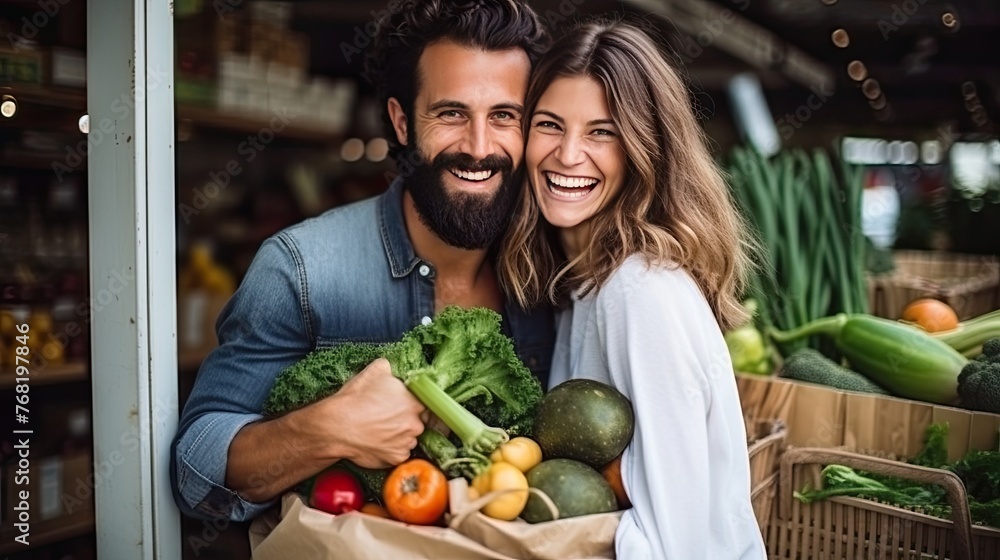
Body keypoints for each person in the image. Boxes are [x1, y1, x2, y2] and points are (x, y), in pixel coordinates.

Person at [171, 0, 554, 522]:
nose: (479, 147)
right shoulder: (301, 269)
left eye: (505, 116)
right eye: (450, 114)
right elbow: (196, 470)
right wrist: (329, 428)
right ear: (401, 122)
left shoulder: (560, 270)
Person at [498, 19, 767, 559]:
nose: (569, 155)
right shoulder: (585, 281)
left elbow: (676, 538)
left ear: (646, 147)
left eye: (603, 131)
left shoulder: (640, 291)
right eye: (550, 125)